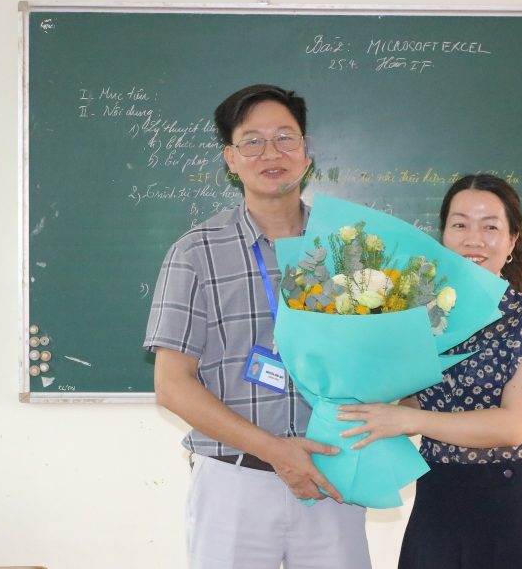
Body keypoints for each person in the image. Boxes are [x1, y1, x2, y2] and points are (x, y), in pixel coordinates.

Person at [144, 84, 371, 569]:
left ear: (306, 152)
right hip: (234, 483)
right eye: (252, 141)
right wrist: (274, 451)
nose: (271, 153)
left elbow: (379, 362)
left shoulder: (350, 249)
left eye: (285, 138)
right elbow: (172, 385)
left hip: (331, 475)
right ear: (230, 159)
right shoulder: (195, 253)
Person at [337, 173, 522, 569]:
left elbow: (512, 426)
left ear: (512, 241)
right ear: (444, 236)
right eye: (460, 225)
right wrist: (369, 407)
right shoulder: (424, 316)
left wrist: (406, 419)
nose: (473, 239)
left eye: (490, 227)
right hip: (439, 504)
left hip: (513, 509)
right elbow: (418, 398)